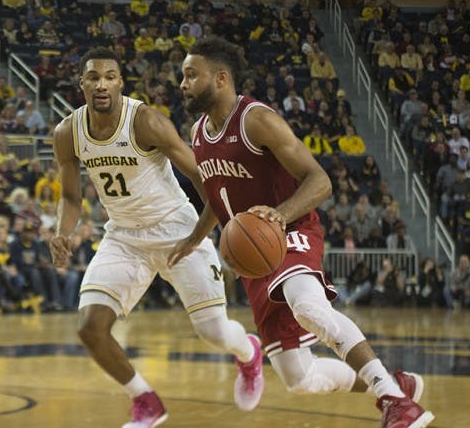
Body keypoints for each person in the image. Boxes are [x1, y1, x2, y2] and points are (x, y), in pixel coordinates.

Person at [174, 37, 433, 428]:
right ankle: (397, 384)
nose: (183, 83)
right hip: (252, 257)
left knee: (309, 307)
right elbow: (217, 194)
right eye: (183, 76)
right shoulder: (197, 132)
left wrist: (278, 216)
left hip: (288, 230)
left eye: (192, 75)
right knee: (299, 378)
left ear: (221, 78)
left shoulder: (256, 119)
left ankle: (395, 402)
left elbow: (320, 180)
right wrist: (195, 239)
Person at [48, 47, 263, 428]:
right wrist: (61, 233)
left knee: (213, 332)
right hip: (124, 237)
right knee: (89, 327)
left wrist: (202, 231)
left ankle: (248, 353)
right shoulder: (67, 133)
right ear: (81, 83)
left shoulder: (145, 121)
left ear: (120, 82)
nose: (101, 84)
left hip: (176, 229)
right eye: (93, 76)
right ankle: (145, 400)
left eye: (109, 76)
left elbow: (204, 176)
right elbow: (70, 196)